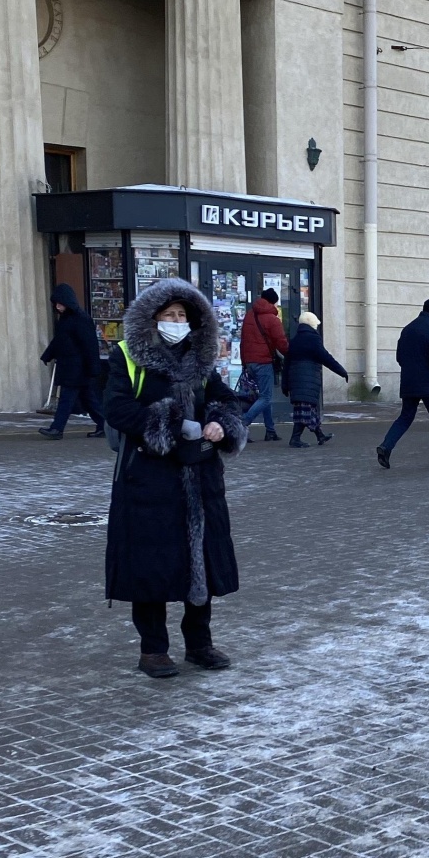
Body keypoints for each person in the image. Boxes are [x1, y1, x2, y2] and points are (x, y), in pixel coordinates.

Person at [104, 280, 245, 679]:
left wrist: (220, 423)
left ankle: (199, 643)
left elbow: (226, 400)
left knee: (201, 560)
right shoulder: (128, 356)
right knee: (152, 563)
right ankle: (153, 649)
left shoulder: (200, 360)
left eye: (183, 315)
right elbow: (116, 409)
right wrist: (170, 424)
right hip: (149, 477)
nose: (177, 322)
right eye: (169, 315)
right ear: (152, 320)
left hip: (200, 476)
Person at [377, 298, 429, 469]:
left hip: (409, 382)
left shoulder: (408, 329)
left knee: (405, 417)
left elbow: (399, 357)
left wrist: (410, 371)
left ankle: (386, 446)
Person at [38, 282, 105, 439]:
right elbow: (59, 341)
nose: (57, 307)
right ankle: (105, 425)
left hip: (78, 368)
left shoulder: (81, 319)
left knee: (66, 400)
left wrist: (93, 367)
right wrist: (48, 354)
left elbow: (89, 345)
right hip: (72, 367)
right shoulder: (66, 320)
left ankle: (57, 429)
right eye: (56, 304)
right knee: (89, 401)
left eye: (60, 303)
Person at [282, 309, 348, 446]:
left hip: (297, 381)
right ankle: (295, 439)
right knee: (305, 411)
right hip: (308, 381)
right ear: (311, 324)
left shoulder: (294, 341)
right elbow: (326, 358)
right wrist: (342, 371)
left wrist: (285, 385)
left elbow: (286, 364)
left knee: (308, 410)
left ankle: (320, 436)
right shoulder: (313, 339)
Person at [238, 286, 288, 441]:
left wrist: (244, 361)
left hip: (250, 362)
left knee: (263, 396)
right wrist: (290, 354)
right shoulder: (272, 319)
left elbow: (243, 341)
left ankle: (270, 430)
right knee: (266, 397)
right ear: (273, 302)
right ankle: (241, 424)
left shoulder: (249, 315)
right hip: (264, 361)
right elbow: (281, 342)